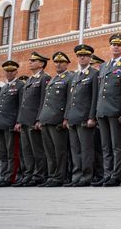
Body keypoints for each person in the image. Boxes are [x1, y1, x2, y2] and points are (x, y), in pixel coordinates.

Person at [96, 34, 121, 187]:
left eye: (119, 45)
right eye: (113, 44)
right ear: (110, 46)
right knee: (105, 145)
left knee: (117, 145)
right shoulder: (104, 66)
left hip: (116, 110)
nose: (116, 47)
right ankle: (107, 174)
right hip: (102, 110)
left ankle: (117, 175)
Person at [65, 44, 99, 187]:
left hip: (85, 117)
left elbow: (94, 97)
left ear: (90, 58)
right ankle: (76, 176)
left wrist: (92, 117)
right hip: (73, 117)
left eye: (85, 55)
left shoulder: (94, 74)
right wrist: (66, 117)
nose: (82, 58)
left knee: (86, 149)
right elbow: (70, 98)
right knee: (75, 149)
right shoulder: (75, 75)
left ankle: (86, 176)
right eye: (80, 55)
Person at [15, 52, 50, 187]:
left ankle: (39, 175)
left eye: (33, 60)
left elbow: (43, 100)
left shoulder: (44, 78)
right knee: (26, 150)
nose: (30, 62)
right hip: (25, 120)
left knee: (37, 150)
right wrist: (19, 120)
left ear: (41, 64)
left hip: (34, 120)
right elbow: (23, 102)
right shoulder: (29, 79)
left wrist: (39, 119)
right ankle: (28, 174)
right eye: (30, 60)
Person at [38, 52, 72, 187]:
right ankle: (52, 175)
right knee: (50, 151)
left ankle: (60, 176)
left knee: (60, 151)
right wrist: (41, 118)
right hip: (46, 119)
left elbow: (69, 100)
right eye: (56, 62)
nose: (58, 64)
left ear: (67, 64)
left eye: (61, 62)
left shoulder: (70, 77)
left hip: (58, 119)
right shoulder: (53, 79)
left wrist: (66, 117)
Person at [0, 60, 25, 187]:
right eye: (7, 71)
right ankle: (3, 176)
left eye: (12, 71)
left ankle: (11, 177)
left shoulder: (20, 85)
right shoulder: (4, 87)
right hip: (0, 124)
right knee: (3, 153)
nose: (9, 73)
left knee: (12, 153)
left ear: (16, 72)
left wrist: (19, 121)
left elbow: (21, 105)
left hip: (11, 123)